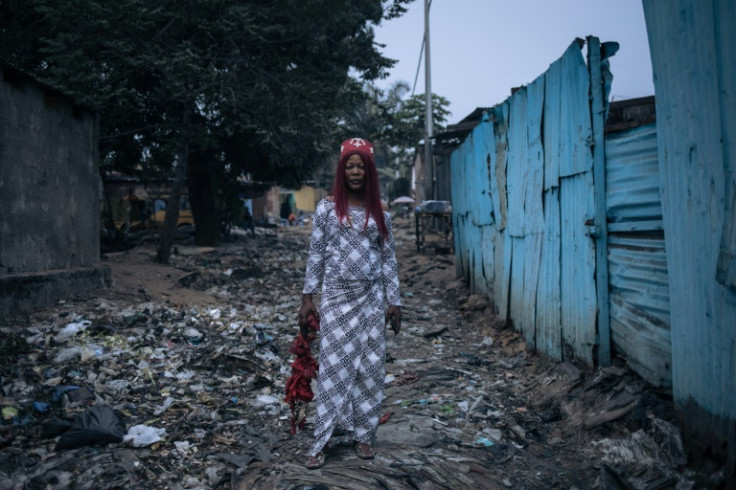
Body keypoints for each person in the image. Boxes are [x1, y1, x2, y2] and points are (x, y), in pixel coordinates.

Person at [298, 137, 402, 469]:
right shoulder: (328, 209)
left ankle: (363, 437)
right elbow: (316, 255)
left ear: (369, 172)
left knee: (370, 369)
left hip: (371, 301)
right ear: (342, 171)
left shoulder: (380, 213)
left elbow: (388, 259)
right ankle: (321, 441)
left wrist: (394, 301)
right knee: (333, 369)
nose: (355, 171)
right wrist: (307, 299)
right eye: (350, 166)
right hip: (337, 299)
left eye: (361, 166)